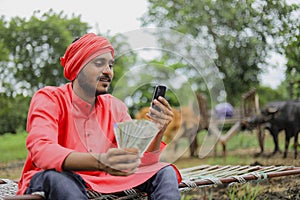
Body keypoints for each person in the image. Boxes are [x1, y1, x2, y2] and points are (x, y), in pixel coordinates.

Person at [17, 33, 181, 199]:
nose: (107, 71)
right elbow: (42, 151)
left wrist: (157, 130)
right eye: (99, 63)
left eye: (110, 65)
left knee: (164, 172)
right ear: (77, 67)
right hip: (58, 176)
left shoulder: (115, 107)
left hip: (105, 179)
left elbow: (138, 161)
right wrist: (101, 161)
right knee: (60, 178)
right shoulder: (49, 98)